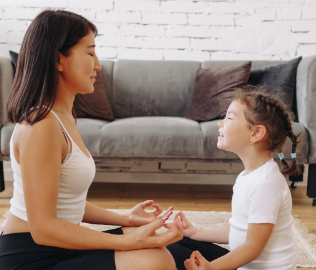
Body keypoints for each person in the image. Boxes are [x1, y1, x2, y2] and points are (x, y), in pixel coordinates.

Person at [0, 10, 183, 270]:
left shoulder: (62, 117)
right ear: (58, 60)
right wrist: (127, 243)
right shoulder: (42, 126)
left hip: (58, 246)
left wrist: (127, 220)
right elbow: (43, 229)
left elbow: (65, 201)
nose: (98, 64)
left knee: (165, 243)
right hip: (30, 256)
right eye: (90, 52)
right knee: (155, 258)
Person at [167, 85, 299, 270]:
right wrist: (196, 233)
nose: (220, 123)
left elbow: (252, 247)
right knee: (174, 245)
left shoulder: (266, 183)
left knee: (172, 255)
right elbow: (240, 230)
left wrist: (211, 268)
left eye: (229, 117)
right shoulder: (248, 176)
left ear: (256, 133)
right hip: (245, 265)